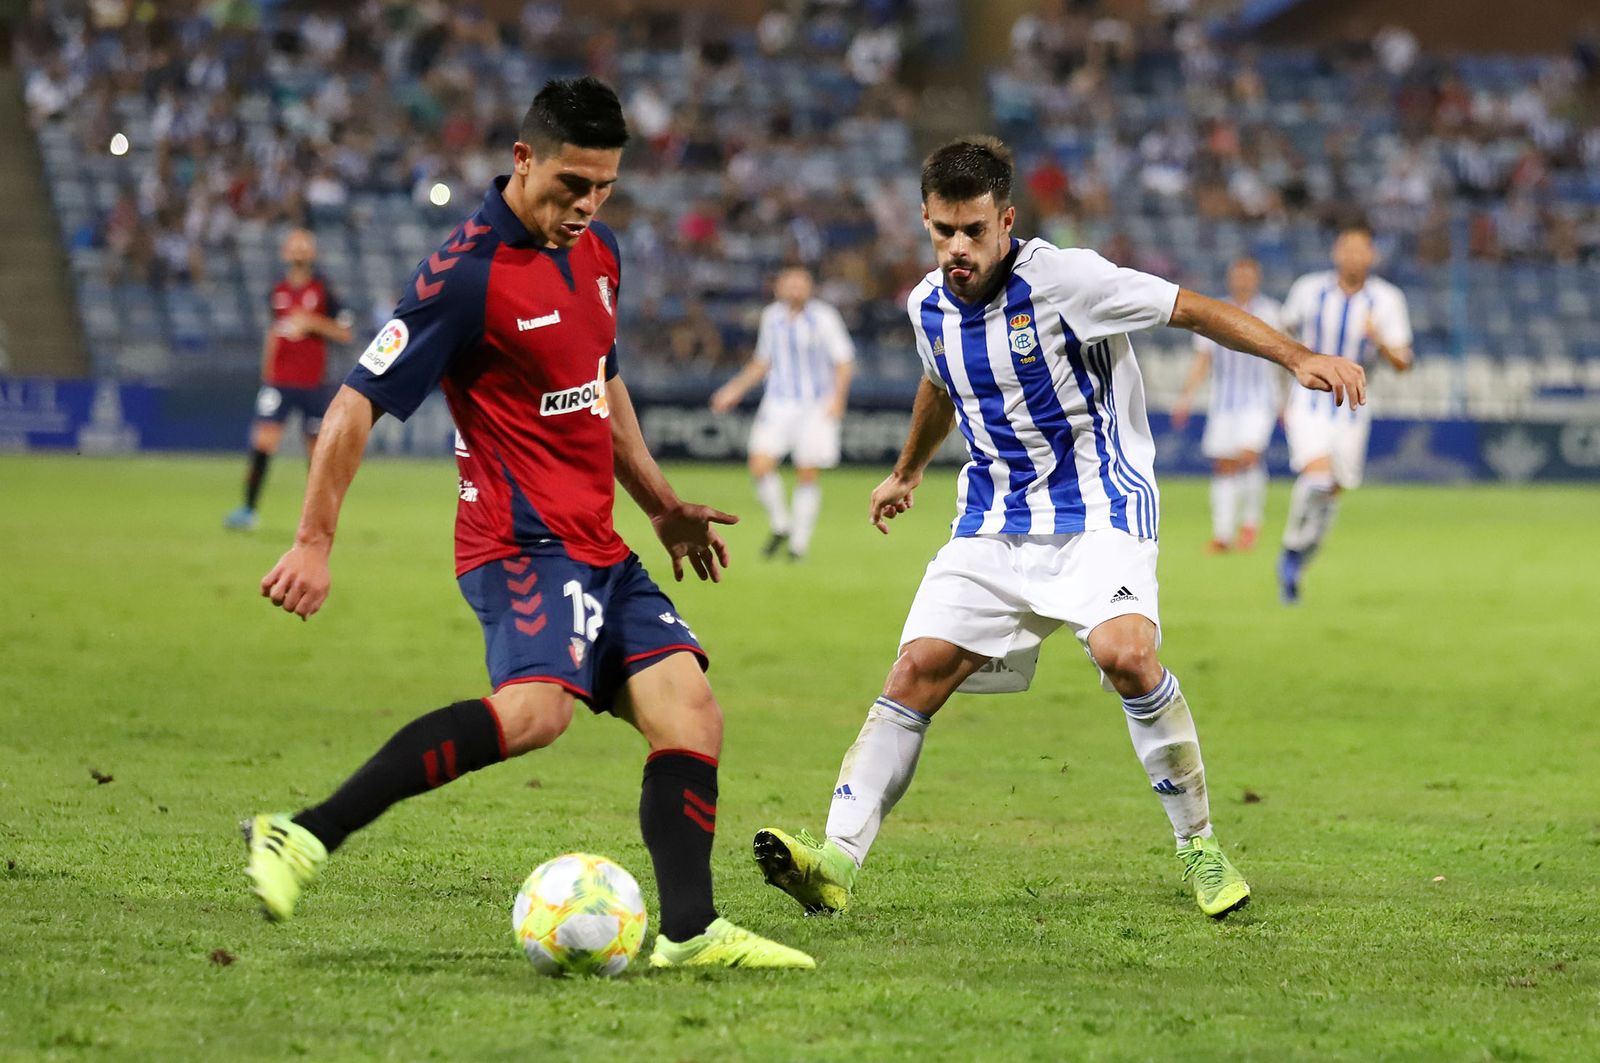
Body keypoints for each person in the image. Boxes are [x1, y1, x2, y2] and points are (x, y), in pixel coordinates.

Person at [242, 78, 813, 971]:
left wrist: (661, 507)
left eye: (604, 189)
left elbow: (603, 385)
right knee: (538, 711)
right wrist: (314, 541)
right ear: (522, 160)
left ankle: (692, 932)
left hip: (599, 543)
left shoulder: (600, 253)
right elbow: (354, 406)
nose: (585, 207)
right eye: (569, 186)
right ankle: (301, 833)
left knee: (691, 712)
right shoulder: (462, 276)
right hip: (517, 543)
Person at [750, 137, 1364, 920]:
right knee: (914, 674)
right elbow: (940, 383)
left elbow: (1191, 308)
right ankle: (834, 861)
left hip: (1100, 505)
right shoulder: (926, 306)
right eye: (943, 232)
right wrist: (907, 471)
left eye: (974, 230)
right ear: (926, 223)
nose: (958, 249)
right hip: (993, 520)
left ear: (1006, 221)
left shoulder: (1070, 280)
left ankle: (1201, 848)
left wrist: (1297, 356)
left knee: (1126, 655)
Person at [1276, 222, 1413, 603]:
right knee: (1317, 479)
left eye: (1361, 249)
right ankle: (1289, 550)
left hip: (1353, 406)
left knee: (1332, 495)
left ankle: (1297, 561)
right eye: (1346, 248)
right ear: (1336, 252)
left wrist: (1380, 340)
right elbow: (1280, 339)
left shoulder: (1387, 299)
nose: (1353, 256)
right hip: (1309, 400)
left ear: (1372, 255)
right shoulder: (1308, 290)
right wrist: (1281, 391)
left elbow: (1404, 361)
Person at [709, 267, 855, 561]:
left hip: (815, 405)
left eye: (801, 284)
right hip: (778, 403)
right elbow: (762, 362)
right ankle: (781, 523)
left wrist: (838, 399)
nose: (795, 289)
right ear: (778, 288)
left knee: (807, 472)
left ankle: (798, 544)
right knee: (759, 464)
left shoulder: (824, 317)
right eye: (790, 284)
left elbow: (844, 361)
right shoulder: (771, 317)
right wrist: (734, 389)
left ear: (810, 287)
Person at [223, 229, 353, 531]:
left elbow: (344, 333)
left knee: (316, 452)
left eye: (304, 247)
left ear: (313, 254)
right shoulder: (277, 291)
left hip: (312, 383)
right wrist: (266, 374)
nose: (299, 251)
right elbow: (273, 332)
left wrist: (313, 323)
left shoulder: (324, 292)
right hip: (279, 382)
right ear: (284, 253)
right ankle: (248, 509)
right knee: (263, 442)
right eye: (294, 246)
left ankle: (318, 519)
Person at [1170, 257, 1284, 553]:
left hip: (1259, 399)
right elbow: (1203, 359)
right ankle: (1222, 534)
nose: (1243, 281)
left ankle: (1250, 522)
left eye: (1248, 275)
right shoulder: (1214, 310)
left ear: (1257, 278)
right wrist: (1186, 397)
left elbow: (1285, 357)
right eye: (1238, 275)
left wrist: (1286, 402)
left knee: (1247, 456)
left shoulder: (1271, 311)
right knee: (1223, 466)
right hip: (1224, 403)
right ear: (1230, 278)